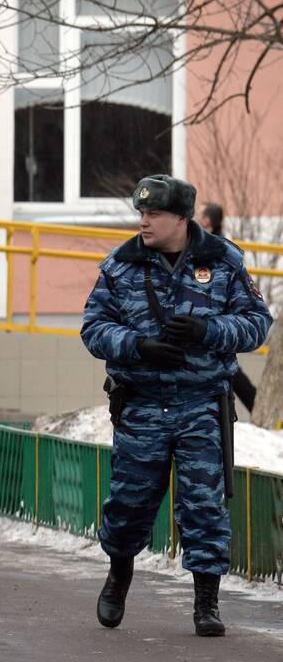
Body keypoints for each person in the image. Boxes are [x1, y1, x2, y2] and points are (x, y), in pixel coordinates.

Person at [82, 175, 271, 637]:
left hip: (200, 405)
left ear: (182, 219)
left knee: (204, 507)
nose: (143, 221)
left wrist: (210, 332)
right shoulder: (121, 264)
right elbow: (93, 329)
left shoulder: (223, 262)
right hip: (142, 405)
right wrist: (138, 345)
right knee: (128, 503)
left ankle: (206, 603)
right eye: (140, 213)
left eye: (154, 214)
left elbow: (257, 324)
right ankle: (118, 576)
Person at [198, 202, 256, 411]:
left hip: (218, 320)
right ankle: (254, 406)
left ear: (206, 220)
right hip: (218, 320)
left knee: (229, 370)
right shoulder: (211, 242)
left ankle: (254, 407)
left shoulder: (214, 246)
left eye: (199, 213)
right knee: (232, 371)